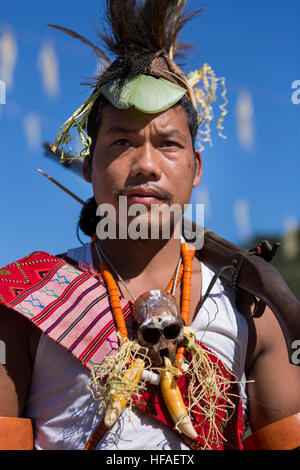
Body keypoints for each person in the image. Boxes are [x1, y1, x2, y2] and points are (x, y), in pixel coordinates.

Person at [0, 0, 300, 451]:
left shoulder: (251, 306)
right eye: (121, 141)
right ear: (88, 167)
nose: (145, 165)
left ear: (196, 168)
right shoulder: (28, 298)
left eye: (168, 144)